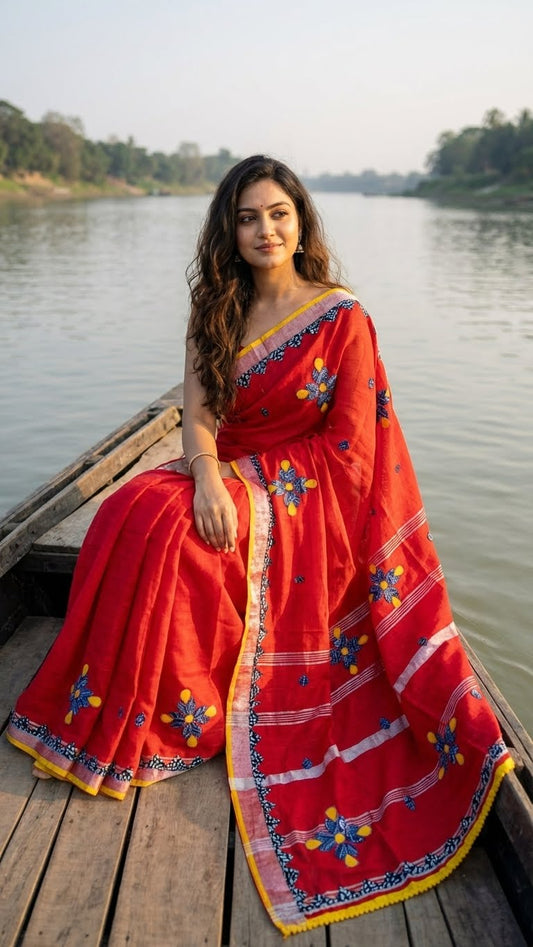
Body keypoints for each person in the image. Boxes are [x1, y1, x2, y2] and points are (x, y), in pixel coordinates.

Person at [7, 156, 513, 936]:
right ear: (228, 230)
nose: (264, 229)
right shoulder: (217, 302)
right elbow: (198, 408)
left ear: (301, 220)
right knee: (128, 511)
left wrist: (250, 492)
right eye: (247, 217)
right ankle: (130, 701)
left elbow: (349, 452)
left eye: (277, 213)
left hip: (302, 503)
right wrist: (210, 476)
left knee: (175, 535)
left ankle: (193, 709)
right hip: (226, 471)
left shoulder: (340, 317)